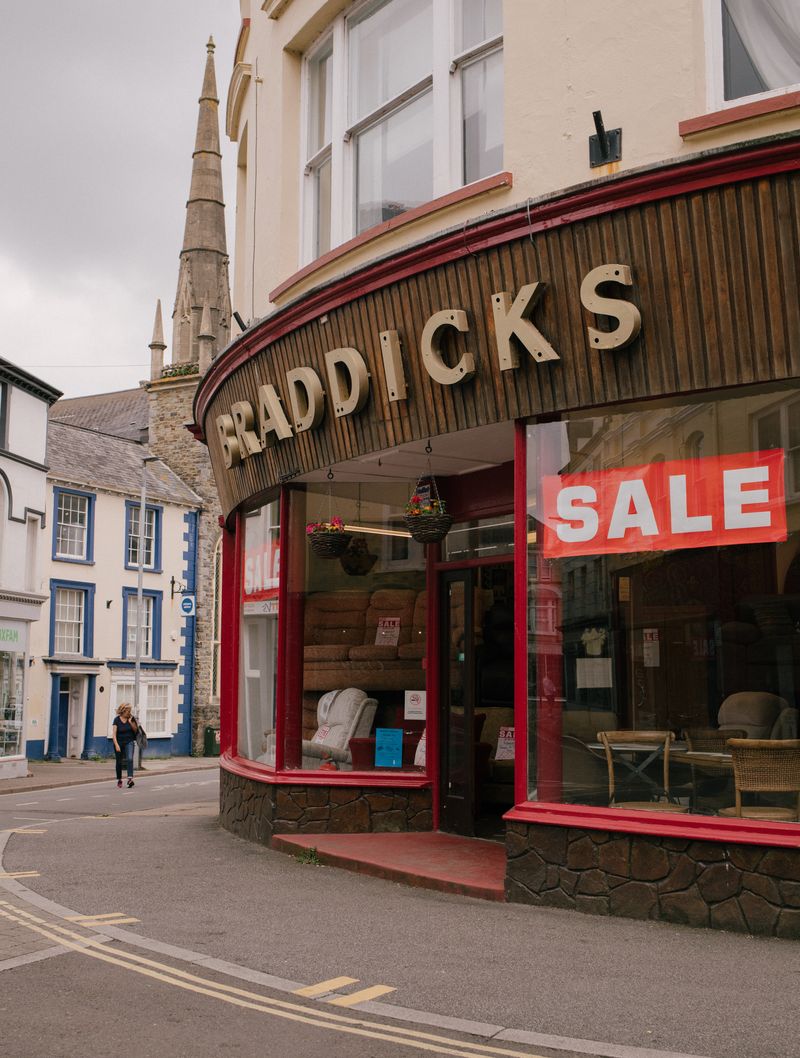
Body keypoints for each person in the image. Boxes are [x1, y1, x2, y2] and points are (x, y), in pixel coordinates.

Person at [112, 703, 139, 789]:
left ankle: (130, 779)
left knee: (130, 759)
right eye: (128, 711)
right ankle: (119, 779)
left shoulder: (131, 719)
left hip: (129, 741)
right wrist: (116, 745)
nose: (129, 712)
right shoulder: (116, 720)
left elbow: (136, 731)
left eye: (130, 711)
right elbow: (114, 734)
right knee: (119, 761)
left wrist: (131, 722)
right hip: (119, 742)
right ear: (123, 711)